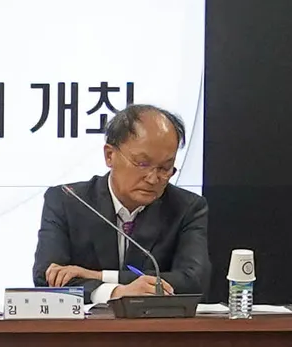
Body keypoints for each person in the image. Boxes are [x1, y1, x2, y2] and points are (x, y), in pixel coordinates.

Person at [34, 104, 209, 302]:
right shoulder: (68, 200)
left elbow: (193, 281)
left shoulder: (186, 208)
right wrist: (115, 292)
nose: (153, 179)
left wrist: (101, 276)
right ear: (110, 155)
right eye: (142, 164)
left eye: (165, 168)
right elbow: (47, 278)